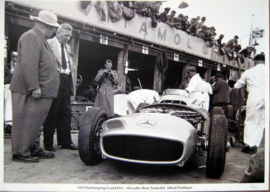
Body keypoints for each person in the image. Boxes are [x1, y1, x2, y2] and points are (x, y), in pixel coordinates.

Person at [9, 10, 60, 163]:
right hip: (30, 91)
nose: (53, 30)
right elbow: (29, 65)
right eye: (53, 27)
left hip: (40, 90)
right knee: (25, 122)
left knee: (35, 123)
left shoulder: (39, 37)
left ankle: (32, 147)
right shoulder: (32, 37)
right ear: (46, 26)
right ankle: (20, 152)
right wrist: (34, 87)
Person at [43, 23, 78, 152]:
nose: (68, 38)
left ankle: (65, 141)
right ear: (58, 33)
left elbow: (70, 65)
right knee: (52, 111)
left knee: (66, 112)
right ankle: (48, 143)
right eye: (66, 35)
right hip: (54, 80)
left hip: (66, 80)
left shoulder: (67, 47)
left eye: (69, 36)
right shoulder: (48, 44)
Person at [234, 54, 265, 154]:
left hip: (255, 95)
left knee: (251, 120)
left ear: (255, 62)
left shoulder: (249, 71)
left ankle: (250, 145)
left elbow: (237, 85)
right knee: (262, 122)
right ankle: (258, 145)